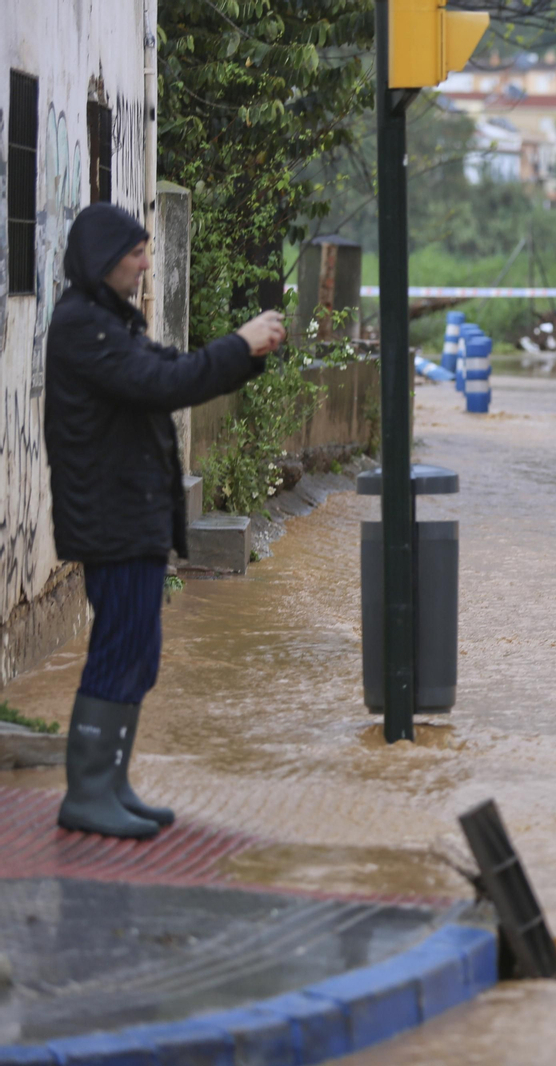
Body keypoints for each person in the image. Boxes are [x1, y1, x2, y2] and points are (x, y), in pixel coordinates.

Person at [45, 202, 286, 839]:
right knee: (120, 649)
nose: (147, 263)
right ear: (103, 260)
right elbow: (161, 383)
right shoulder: (82, 326)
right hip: (111, 517)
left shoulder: (109, 321)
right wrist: (238, 345)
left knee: (140, 654)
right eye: (136, 253)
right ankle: (88, 793)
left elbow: (172, 370)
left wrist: (246, 353)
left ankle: (112, 782)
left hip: (134, 515)